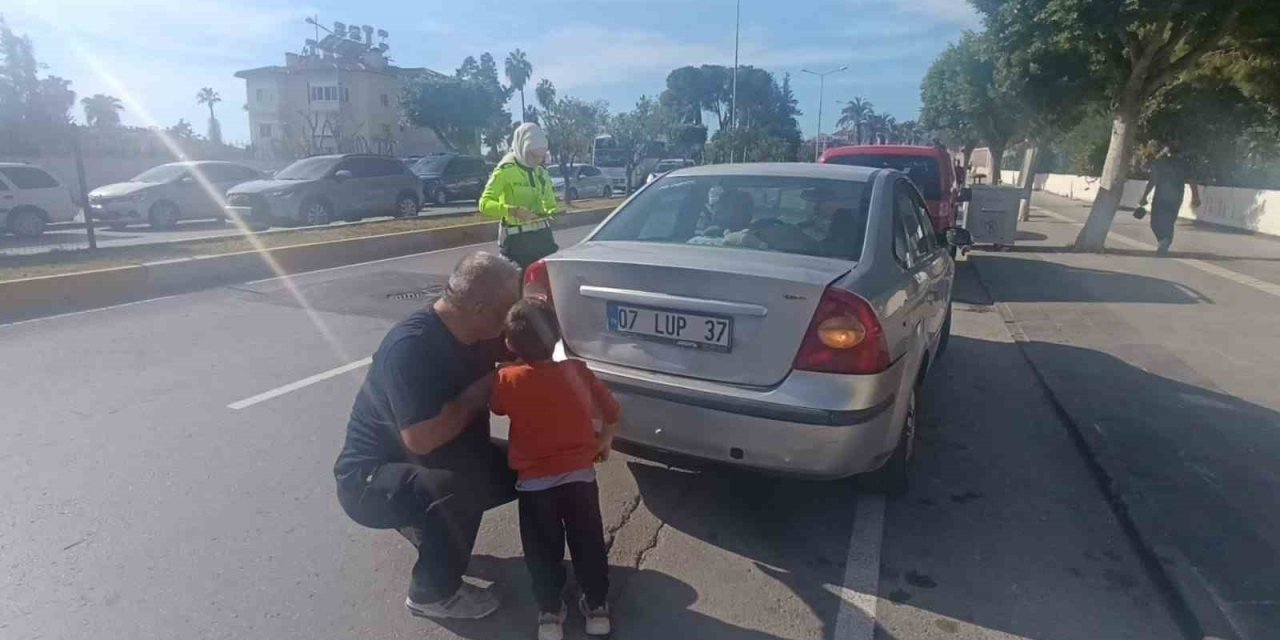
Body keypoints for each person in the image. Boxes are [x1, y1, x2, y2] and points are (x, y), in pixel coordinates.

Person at [333, 252, 523, 620]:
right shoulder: (411, 349)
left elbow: (529, 347)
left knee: (529, 464)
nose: (511, 317)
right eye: (508, 308)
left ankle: (429, 526)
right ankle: (432, 592)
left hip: (429, 459)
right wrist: (481, 390)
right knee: (461, 487)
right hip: (371, 480)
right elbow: (420, 439)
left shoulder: (479, 332)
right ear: (481, 308)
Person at [490, 297, 620, 640]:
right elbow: (612, 412)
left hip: (534, 486)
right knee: (588, 541)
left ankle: (549, 613)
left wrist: (506, 369)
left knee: (542, 549)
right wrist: (603, 442)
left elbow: (498, 409)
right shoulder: (577, 371)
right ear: (559, 339)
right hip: (580, 477)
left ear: (508, 342)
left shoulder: (507, 379)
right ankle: (597, 607)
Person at [479, 122, 560, 268]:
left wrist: (552, 211)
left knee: (552, 278)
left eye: (541, 156)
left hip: (543, 237)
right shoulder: (505, 170)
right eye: (533, 155)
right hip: (516, 241)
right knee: (517, 283)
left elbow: (550, 203)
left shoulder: (541, 172)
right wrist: (512, 211)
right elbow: (484, 204)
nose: (537, 160)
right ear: (522, 147)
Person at [1139, 143, 1201, 255]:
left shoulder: (1160, 163)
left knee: (1155, 222)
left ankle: (1164, 241)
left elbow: (1152, 181)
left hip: (1160, 196)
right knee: (1169, 221)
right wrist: (1195, 196)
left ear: (1167, 152)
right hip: (1176, 197)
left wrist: (1144, 196)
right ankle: (1165, 241)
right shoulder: (1184, 164)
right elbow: (1192, 181)